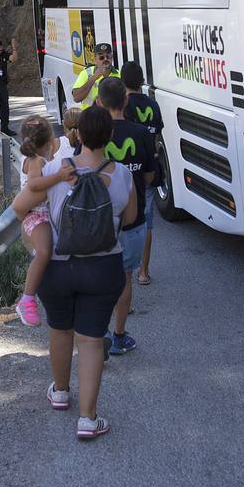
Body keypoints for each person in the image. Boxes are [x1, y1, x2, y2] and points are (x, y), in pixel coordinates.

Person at [13, 106, 136, 440]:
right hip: (103, 266)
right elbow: (132, 216)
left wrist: (33, 234)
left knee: (61, 329)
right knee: (92, 340)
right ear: (110, 137)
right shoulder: (122, 174)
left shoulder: (55, 169)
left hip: (57, 266)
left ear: (77, 135)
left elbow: (20, 206)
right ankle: (88, 418)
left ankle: (61, 391)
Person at [96, 77, 156, 356]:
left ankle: (96, 335)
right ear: (127, 100)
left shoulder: (93, 134)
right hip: (132, 221)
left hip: (96, 221)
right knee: (124, 278)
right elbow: (150, 175)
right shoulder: (142, 133)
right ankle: (119, 336)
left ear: (99, 103)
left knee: (97, 279)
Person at [13, 115, 76, 326]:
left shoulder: (34, 160)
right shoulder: (37, 161)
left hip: (38, 212)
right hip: (36, 214)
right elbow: (33, 185)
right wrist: (59, 177)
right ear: (50, 140)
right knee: (44, 252)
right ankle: (27, 299)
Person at [121, 61, 164, 286]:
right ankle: (144, 272)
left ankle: (124, 271)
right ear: (142, 81)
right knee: (146, 221)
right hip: (148, 167)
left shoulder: (124, 106)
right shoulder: (153, 105)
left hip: (127, 167)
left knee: (122, 219)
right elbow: (156, 137)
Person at [71, 42, 121, 107]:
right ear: (95, 59)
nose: (105, 59)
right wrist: (93, 78)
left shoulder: (119, 75)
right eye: (101, 57)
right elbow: (76, 98)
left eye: (108, 56)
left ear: (112, 57)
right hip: (90, 115)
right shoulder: (86, 73)